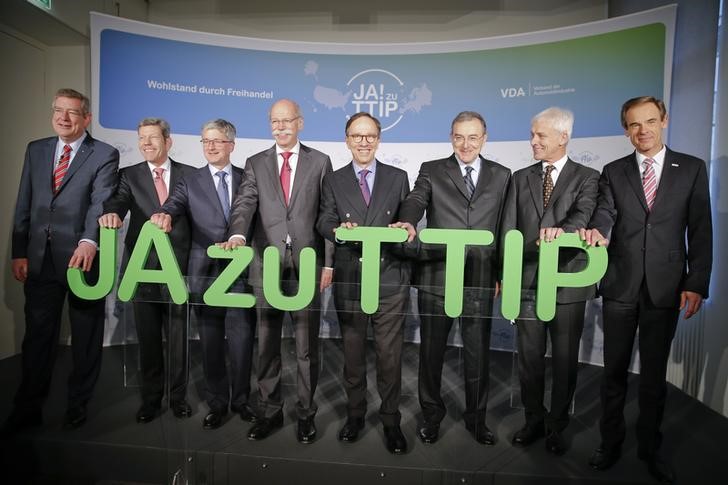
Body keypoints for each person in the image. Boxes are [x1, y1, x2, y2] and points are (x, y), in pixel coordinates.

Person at [581, 96, 712, 483]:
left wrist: (697, 282)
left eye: (651, 121)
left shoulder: (690, 168)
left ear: (664, 121)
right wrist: (599, 232)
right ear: (626, 130)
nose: (644, 131)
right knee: (614, 374)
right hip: (621, 284)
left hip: (667, 286)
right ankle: (609, 443)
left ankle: (650, 449)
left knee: (654, 377)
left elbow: (701, 229)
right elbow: (606, 212)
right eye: (635, 125)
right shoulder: (613, 170)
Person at [392, 111, 511, 445]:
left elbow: (506, 226)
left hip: (480, 278)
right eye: (459, 136)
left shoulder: (503, 175)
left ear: (484, 139)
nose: (466, 144)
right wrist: (407, 220)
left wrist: (501, 272)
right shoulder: (432, 170)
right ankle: (432, 417)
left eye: (473, 137)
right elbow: (416, 199)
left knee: (477, 355)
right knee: (431, 354)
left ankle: (477, 419)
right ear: (451, 137)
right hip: (437, 276)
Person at [5, 88, 119, 432]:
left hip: (83, 261)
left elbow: (100, 202)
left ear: (86, 118)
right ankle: (27, 408)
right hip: (40, 260)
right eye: (58, 110)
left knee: (85, 338)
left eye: (71, 112)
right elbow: (24, 201)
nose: (63, 118)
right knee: (37, 337)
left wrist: (88, 242)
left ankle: (77, 404)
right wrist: (20, 250)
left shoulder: (104, 153)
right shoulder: (36, 149)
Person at [221, 99, 333, 443]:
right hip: (265, 264)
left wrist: (328, 261)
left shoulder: (320, 161)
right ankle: (269, 411)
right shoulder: (256, 163)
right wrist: (238, 233)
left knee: (305, 348)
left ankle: (305, 414)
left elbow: (328, 212)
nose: (280, 127)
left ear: (299, 123)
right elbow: (245, 203)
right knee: (267, 345)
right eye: (274, 122)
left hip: (307, 265)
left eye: (287, 121)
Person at [501, 107, 599, 455]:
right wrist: (505, 276)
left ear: (563, 137)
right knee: (528, 359)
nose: (533, 141)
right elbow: (508, 229)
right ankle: (533, 420)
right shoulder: (520, 176)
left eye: (540, 135)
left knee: (564, 359)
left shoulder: (588, 176)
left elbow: (583, 213)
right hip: (526, 282)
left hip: (568, 282)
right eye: (532, 134)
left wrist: (565, 231)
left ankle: (558, 425)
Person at [150, 119, 255, 430]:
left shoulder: (247, 178)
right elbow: (174, 203)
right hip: (204, 271)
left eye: (218, 141)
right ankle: (218, 402)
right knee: (209, 340)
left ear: (231, 146)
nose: (210, 146)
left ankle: (242, 400)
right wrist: (164, 213)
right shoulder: (188, 179)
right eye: (206, 141)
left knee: (241, 338)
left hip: (239, 269)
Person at [316, 112, 411, 454]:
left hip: (389, 281)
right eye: (357, 136)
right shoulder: (334, 179)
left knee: (390, 357)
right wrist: (338, 231)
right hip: (352, 280)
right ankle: (354, 415)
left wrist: (407, 226)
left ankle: (391, 422)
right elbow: (324, 218)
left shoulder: (398, 177)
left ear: (379, 139)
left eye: (370, 136)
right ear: (347, 140)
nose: (364, 142)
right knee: (353, 356)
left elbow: (408, 218)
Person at [99, 118, 196, 423]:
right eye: (142, 139)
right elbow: (117, 201)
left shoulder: (189, 175)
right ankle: (151, 399)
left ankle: (178, 397)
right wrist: (111, 213)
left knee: (179, 337)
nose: (146, 144)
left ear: (168, 141)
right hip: (142, 269)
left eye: (153, 138)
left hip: (179, 267)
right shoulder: (128, 175)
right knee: (148, 337)